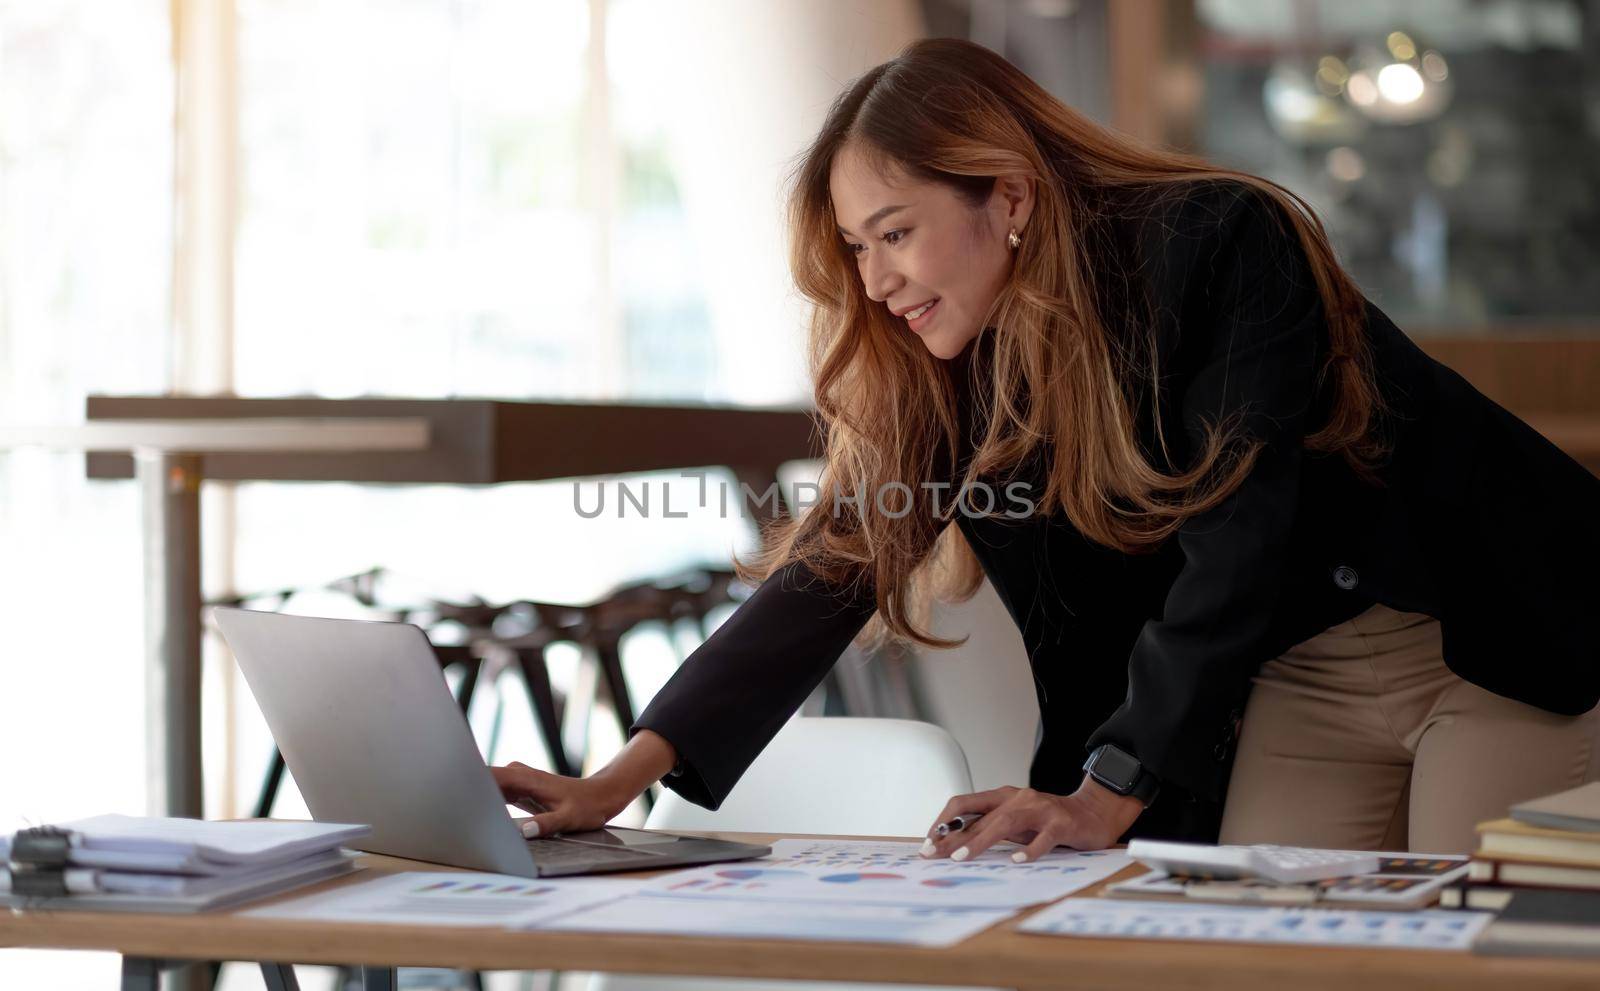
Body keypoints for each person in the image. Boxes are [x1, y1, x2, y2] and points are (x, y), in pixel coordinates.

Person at [492, 38, 1600, 858]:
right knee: (1255, 955)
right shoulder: (950, 361)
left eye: (895, 234)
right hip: (1292, 677)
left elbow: (1239, 537)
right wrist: (618, 778)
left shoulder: (1217, 240)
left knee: (1471, 947)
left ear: (1007, 197)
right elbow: (838, 564)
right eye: (853, 249)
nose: (873, 281)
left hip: (1484, 639)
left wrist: (1103, 790)